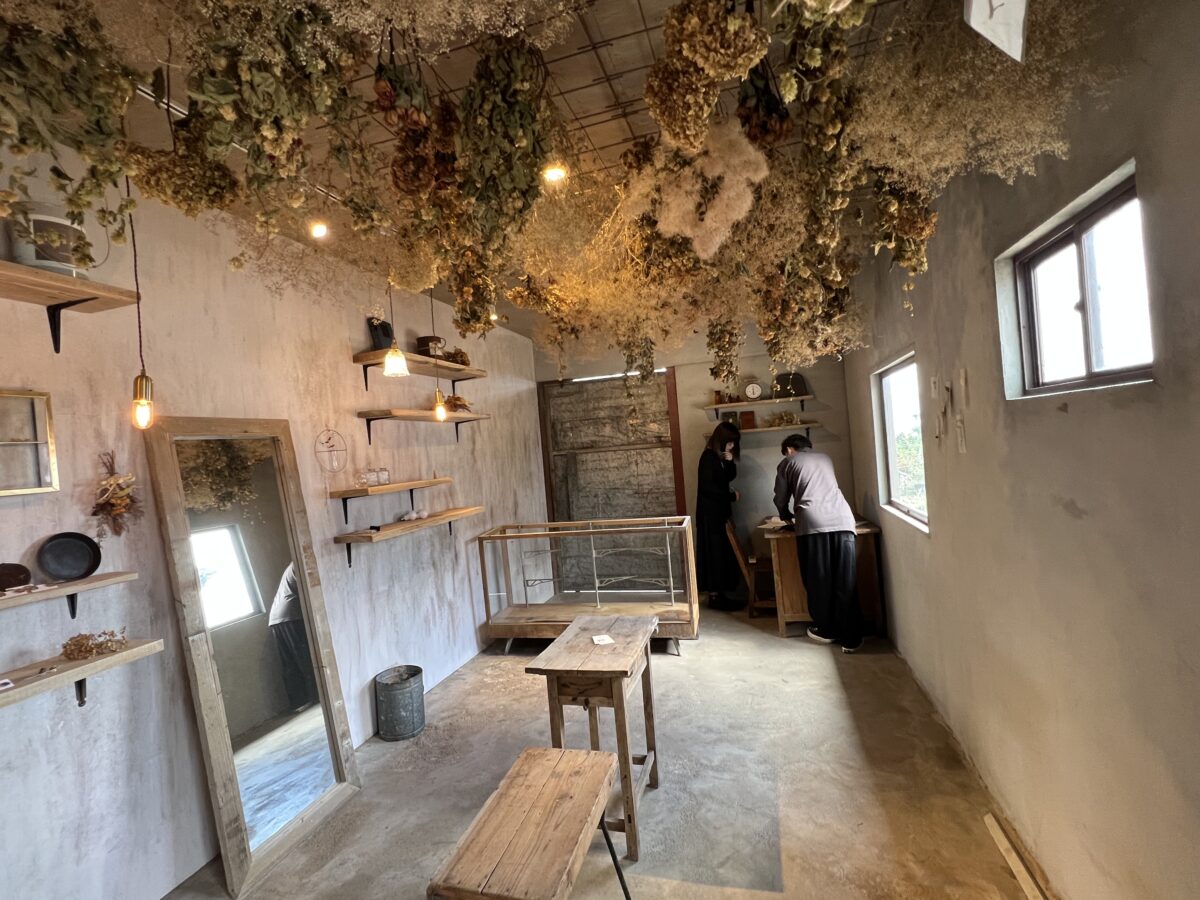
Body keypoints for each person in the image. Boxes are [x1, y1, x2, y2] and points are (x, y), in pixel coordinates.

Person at [773, 433, 862, 652]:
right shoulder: (825, 458)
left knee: (819, 578)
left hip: (813, 523)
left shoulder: (788, 462)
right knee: (845, 578)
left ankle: (826, 629)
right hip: (843, 520)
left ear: (789, 449)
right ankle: (851, 638)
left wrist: (784, 514)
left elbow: (780, 496)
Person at [695, 421, 742, 610]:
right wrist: (731, 496)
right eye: (730, 442)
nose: (732, 446)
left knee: (720, 554)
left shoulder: (718, 457)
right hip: (710, 516)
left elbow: (727, 478)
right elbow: (708, 488)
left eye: (734, 443)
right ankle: (715, 596)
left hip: (716, 514)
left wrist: (730, 462)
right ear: (721, 440)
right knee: (714, 554)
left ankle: (720, 594)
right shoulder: (708, 457)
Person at [268, 563, 321, 711]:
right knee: (305, 657)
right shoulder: (303, 561)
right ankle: (318, 696)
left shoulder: (293, 565)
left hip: (276, 617)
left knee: (290, 662)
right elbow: (311, 590)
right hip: (292, 614)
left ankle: (299, 701)